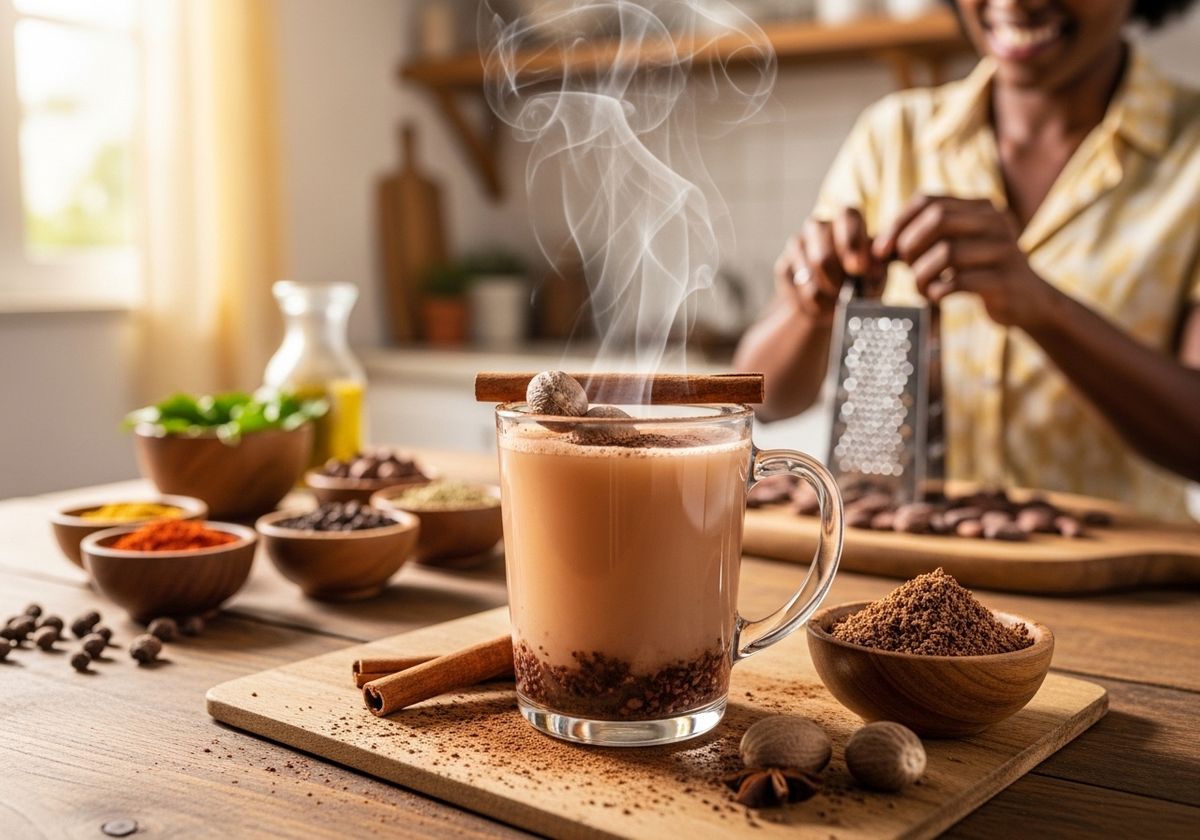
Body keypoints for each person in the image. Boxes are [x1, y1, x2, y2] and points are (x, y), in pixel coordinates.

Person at [734, 0, 1200, 520]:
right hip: (911, 580)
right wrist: (811, 305)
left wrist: (1044, 308)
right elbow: (760, 401)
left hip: (1123, 590)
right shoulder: (893, 137)